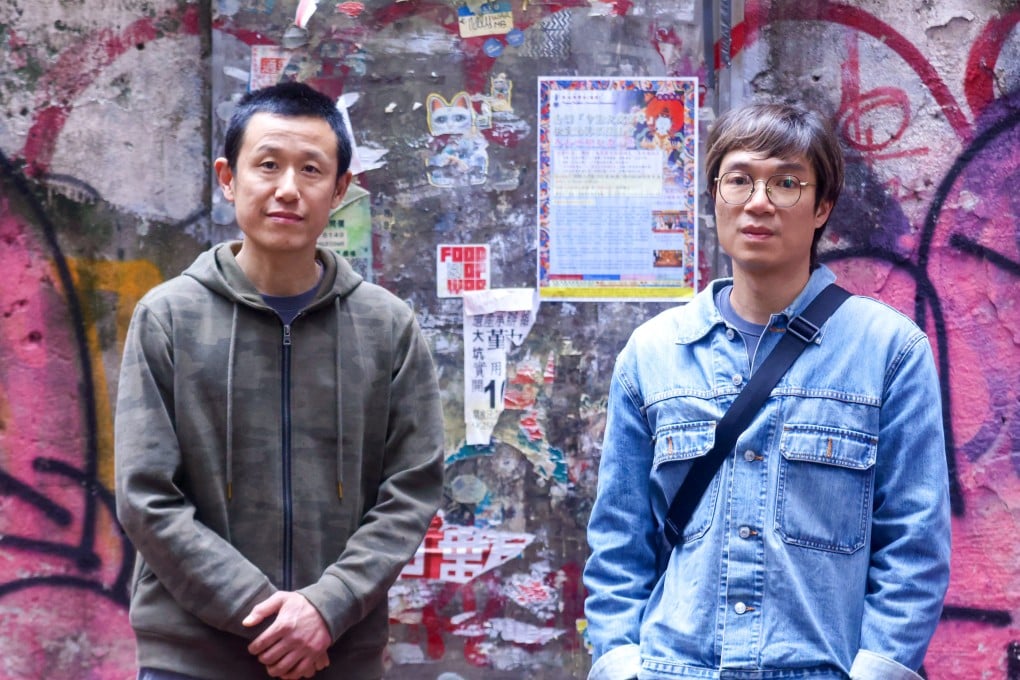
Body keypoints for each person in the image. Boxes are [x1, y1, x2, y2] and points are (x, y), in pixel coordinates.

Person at [583, 102, 951, 680]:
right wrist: (620, 665)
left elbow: (915, 546)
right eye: (739, 180)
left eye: (786, 182)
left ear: (822, 205)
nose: (759, 201)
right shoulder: (652, 355)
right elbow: (618, 542)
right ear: (714, 195)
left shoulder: (888, 352)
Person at [115, 81, 445, 680]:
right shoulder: (168, 318)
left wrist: (325, 608)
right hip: (192, 659)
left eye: (311, 170)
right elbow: (147, 498)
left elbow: (411, 490)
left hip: (338, 654)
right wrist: (269, 617)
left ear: (341, 188)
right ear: (228, 177)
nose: (287, 189)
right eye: (267, 165)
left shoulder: (387, 327)